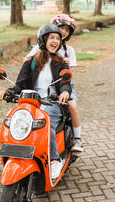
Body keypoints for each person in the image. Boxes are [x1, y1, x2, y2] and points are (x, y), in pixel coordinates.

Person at [0, 23, 71, 179]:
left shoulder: (62, 63)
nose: (55, 41)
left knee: (46, 121)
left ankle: (55, 159)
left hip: (52, 103)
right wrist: (8, 92)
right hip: (31, 102)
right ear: (43, 40)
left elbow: (65, 82)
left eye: (58, 38)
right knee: (13, 120)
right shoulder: (31, 61)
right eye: (52, 37)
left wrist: (64, 91)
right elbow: (20, 85)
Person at [24, 14, 83, 154]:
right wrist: (28, 59)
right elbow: (29, 58)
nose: (63, 32)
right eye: (60, 28)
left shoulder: (69, 51)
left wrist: (66, 66)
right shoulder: (41, 46)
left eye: (67, 30)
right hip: (44, 87)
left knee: (72, 105)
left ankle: (77, 138)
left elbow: (70, 73)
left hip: (63, 83)